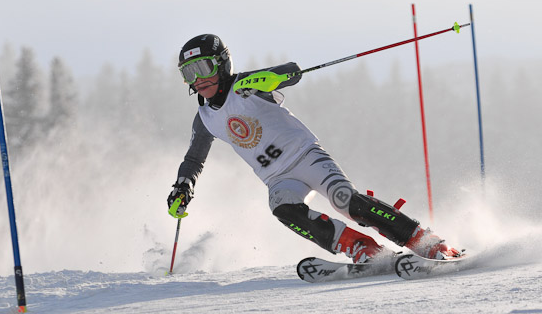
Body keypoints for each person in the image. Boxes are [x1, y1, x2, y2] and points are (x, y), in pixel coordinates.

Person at [167, 34, 462, 263]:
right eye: (188, 72)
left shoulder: (247, 85)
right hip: (278, 178)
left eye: (203, 68)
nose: (198, 79)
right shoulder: (205, 118)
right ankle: (362, 248)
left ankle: (426, 242)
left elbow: (292, 72)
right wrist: (183, 187)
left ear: (222, 64)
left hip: (306, 156)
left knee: (346, 201)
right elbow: (194, 158)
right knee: (283, 209)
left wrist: (269, 78)